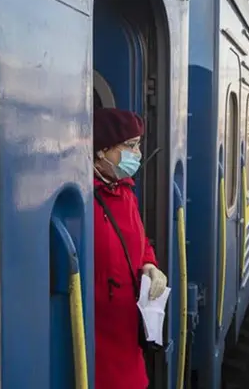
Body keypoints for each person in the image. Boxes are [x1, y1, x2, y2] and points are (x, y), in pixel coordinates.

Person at [92, 107, 168, 389]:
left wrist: (149, 264)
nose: (137, 154)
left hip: (128, 337)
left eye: (138, 146)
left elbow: (139, 242)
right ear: (102, 150)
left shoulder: (124, 192)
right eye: (130, 146)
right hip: (100, 343)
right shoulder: (83, 202)